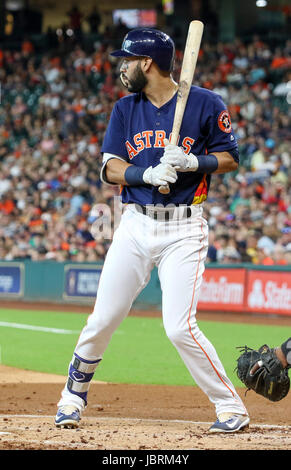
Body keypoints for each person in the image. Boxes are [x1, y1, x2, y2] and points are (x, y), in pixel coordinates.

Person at [55, 27, 249, 433]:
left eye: (126, 61)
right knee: (103, 318)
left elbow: (230, 158)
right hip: (135, 225)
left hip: (184, 228)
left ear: (147, 63)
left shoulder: (206, 103)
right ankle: (71, 398)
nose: (121, 68)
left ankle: (230, 407)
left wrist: (194, 163)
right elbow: (110, 168)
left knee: (180, 327)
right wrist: (147, 172)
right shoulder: (126, 109)